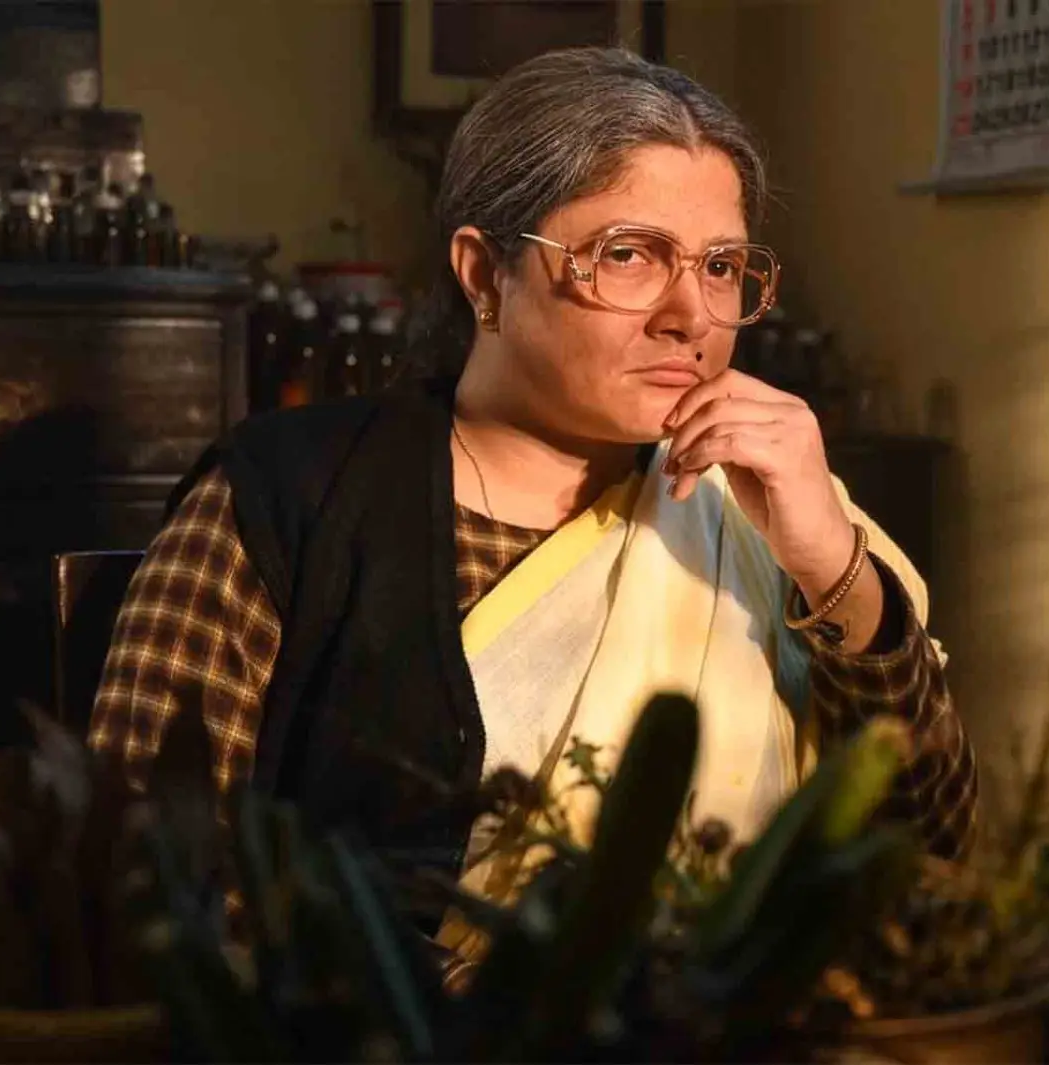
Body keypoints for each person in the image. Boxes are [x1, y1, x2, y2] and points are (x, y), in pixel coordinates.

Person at [88, 47, 976, 914]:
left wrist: (832, 567)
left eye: (720, 267)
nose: (691, 317)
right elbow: (146, 887)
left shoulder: (759, 506)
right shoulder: (288, 500)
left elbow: (929, 847)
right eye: (629, 255)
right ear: (484, 274)